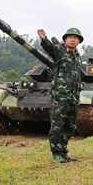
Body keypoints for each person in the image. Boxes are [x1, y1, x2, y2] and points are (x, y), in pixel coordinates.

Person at [38, 27, 84, 163]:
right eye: (70, 37)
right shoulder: (59, 51)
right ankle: (56, 152)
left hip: (73, 96)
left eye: (75, 38)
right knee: (57, 124)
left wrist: (78, 95)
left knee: (70, 125)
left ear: (79, 41)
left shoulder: (78, 57)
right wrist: (43, 39)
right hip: (60, 94)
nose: (72, 39)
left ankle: (63, 151)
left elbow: (77, 77)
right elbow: (49, 48)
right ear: (65, 39)